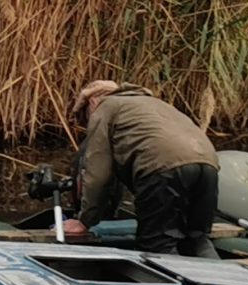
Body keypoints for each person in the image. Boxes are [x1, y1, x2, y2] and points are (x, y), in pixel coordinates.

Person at [60, 82, 220, 257]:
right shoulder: (155, 104)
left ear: (91, 102)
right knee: (196, 238)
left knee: (156, 244)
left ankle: (167, 283)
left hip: (161, 167)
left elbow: (98, 174)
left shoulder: (105, 107)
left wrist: (84, 221)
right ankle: (225, 281)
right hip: (209, 165)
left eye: (86, 117)